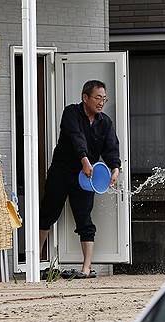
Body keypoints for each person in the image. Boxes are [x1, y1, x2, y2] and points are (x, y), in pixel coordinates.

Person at [39, 79, 120, 279]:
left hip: (86, 177)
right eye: (98, 98)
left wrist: (115, 168)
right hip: (62, 172)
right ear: (85, 98)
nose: (101, 102)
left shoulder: (105, 122)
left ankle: (86, 268)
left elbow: (111, 148)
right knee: (47, 214)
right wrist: (84, 159)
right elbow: (76, 138)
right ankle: (36, 262)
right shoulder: (71, 113)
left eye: (104, 98)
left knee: (84, 219)